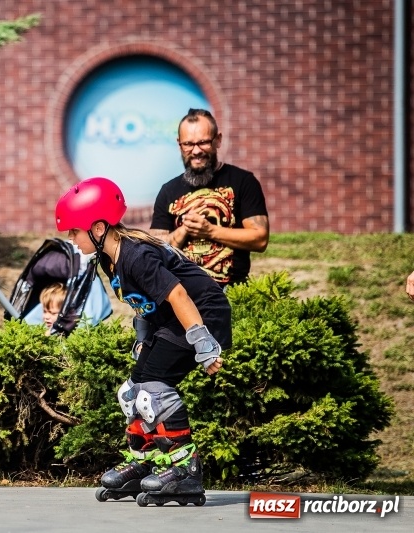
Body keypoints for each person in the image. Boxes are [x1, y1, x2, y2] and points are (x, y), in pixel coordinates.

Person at [55, 177, 230, 502]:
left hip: (201, 313)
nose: (70, 238)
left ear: (97, 229)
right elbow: (144, 302)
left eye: (74, 231)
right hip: (170, 318)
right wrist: (143, 338)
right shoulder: (109, 259)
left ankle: (185, 471)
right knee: (132, 392)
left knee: (154, 391)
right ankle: (144, 463)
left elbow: (178, 295)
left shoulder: (136, 256)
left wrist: (203, 343)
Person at [150, 108, 269, 289]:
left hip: (231, 291)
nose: (196, 151)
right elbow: (155, 251)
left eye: (203, 142)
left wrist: (210, 231)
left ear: (218, 140)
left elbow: (260, 239)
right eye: (188, 144)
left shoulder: (243, 181)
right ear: (179, 144)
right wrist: (184, 230)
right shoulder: (168, 191)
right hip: (184, 294)